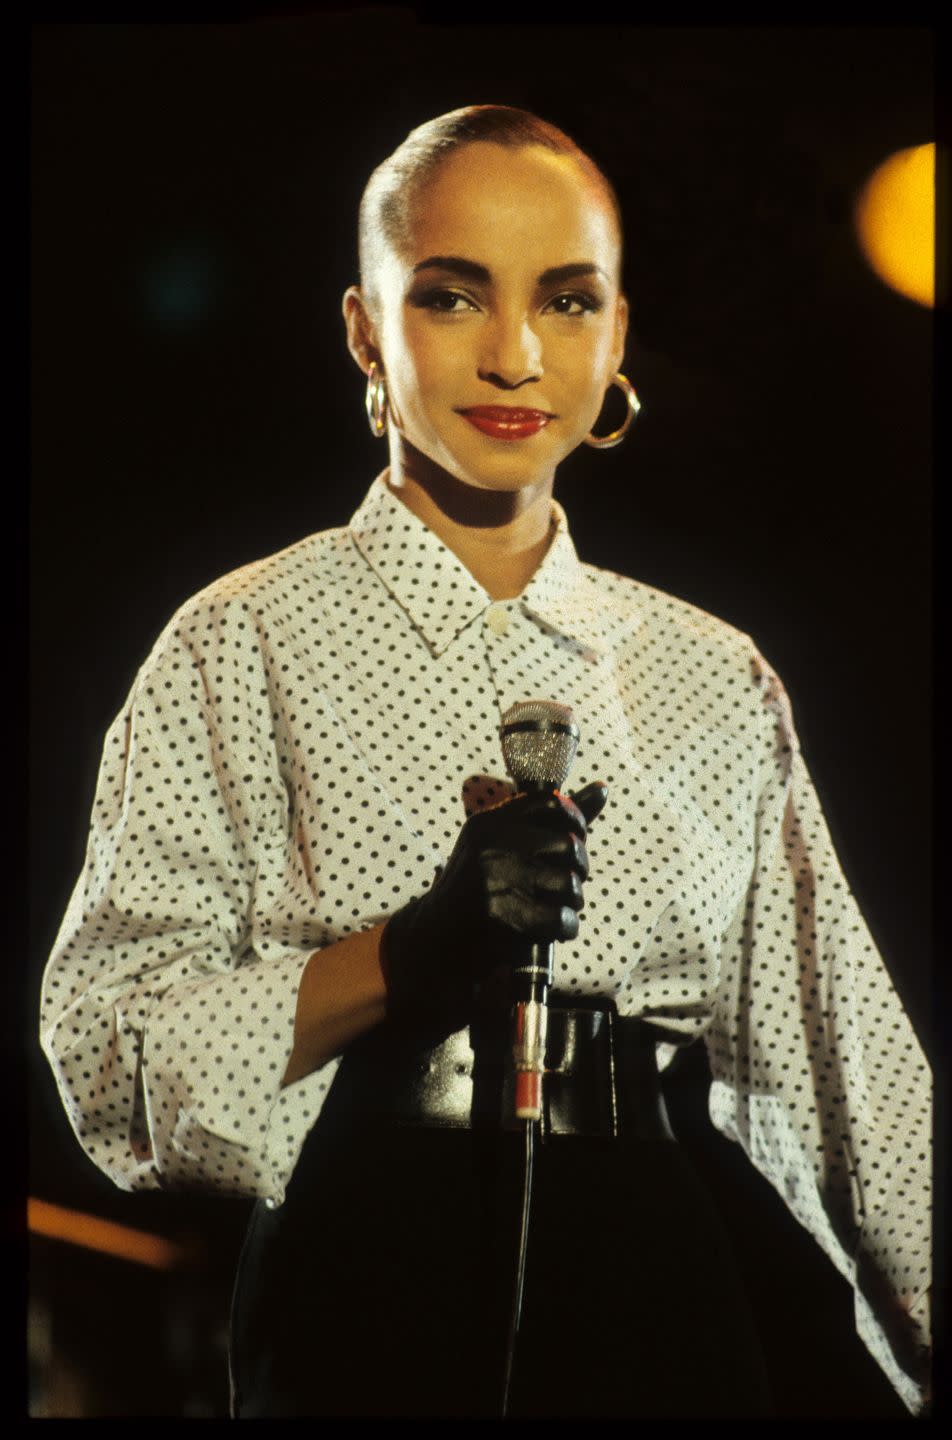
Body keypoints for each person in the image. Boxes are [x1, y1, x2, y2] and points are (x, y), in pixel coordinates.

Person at [39, 105, 931, 1419]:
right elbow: (110, 1054)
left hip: (658, 1278)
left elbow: (850, 1072)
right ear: (364, 327)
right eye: (453, 296)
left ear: (617, 334)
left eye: (567, 302)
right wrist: (411, 953)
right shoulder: (241, 643)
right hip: (369, 1270)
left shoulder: (710, 673)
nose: (516, 355)